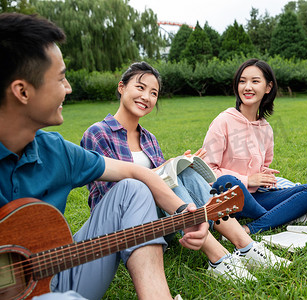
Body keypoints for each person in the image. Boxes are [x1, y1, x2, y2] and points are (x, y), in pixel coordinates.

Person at [0, 13, 209, 300]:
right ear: (22, 91)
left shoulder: (55, 151)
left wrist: (183, 212)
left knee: (133, 189)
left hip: (56, 273)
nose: (69, 88)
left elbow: (138, 172)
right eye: (60, 78)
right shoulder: (98, 132)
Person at [80, 61, 291, 282]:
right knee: (172, 177)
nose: (146, 97)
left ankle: (245, 245)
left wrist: (178, 164)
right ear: (121, 87)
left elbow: (164, 182)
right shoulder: (98, 133)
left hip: (161, 220)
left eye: (153, 93)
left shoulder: (149, 139)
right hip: (124, 225)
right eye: (140, 88)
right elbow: (114, 195)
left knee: (185, 173)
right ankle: (219, 257)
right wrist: (163, 170)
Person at [202, 58, 307, 235]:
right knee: (226, 182)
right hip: (230, 196)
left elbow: (263, 167)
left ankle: (251, 227)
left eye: (255, 81)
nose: (247, 87)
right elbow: (207, 171)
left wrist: (264, 175)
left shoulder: (266, 129)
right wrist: (248, 180)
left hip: (257, 198)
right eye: (242, 81)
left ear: (268, 88)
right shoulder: (223, 121)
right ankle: (279, 216)